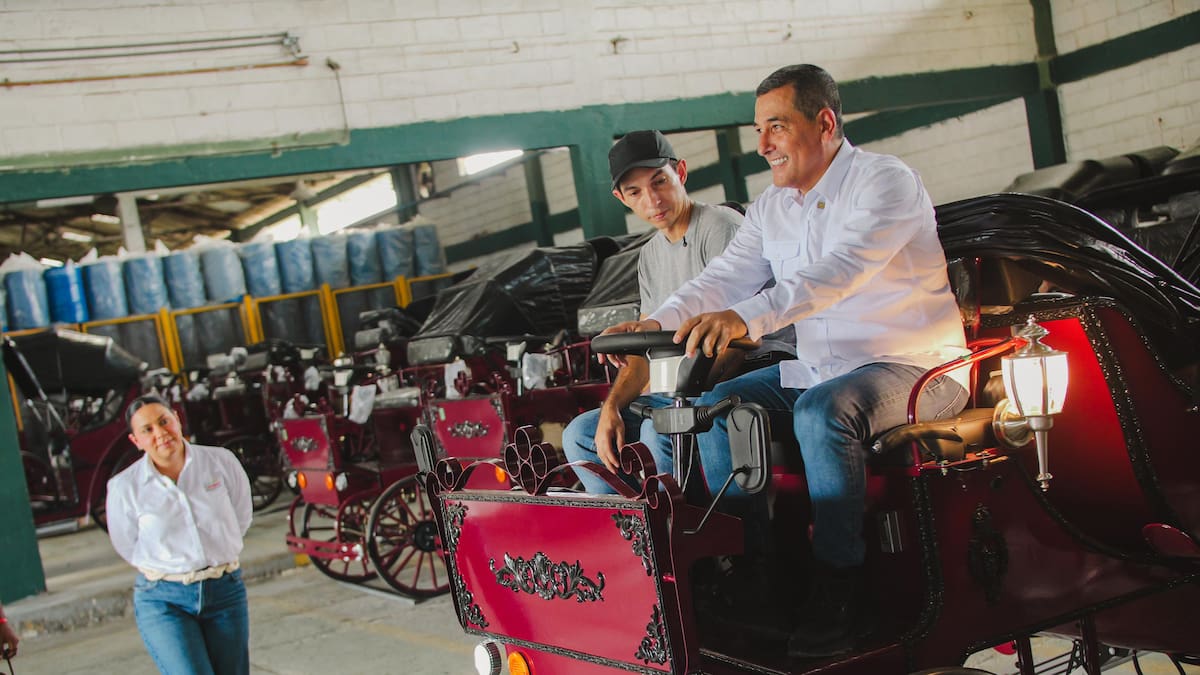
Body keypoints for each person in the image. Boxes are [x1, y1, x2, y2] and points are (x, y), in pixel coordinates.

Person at [613, 64, 970, 656]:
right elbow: (723, 278)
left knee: (821, 412)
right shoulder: (772, 207)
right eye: (759, 130)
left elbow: (838, 272)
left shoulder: (885, 182)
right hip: (823, 369)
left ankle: (840, 589)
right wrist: (655, 323)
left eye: (776, 126)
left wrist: (747, 317)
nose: (763, 145)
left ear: (824, 123)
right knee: (719, 406)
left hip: (914, 366)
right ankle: (758, 573)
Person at [561, 129, 746, 493]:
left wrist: (671, 400)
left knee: (655, 427)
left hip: (731, 376)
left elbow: (737, 339)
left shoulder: (721, 228)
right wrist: (613, 407)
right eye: (635, 192)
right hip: (679, 386)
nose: (653, 199)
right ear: (621, 198)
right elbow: (646, 351)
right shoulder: (649, 256)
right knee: (580, 434)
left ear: (681, 172)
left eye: (659, 182)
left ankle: (690, 523)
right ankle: (636, 526)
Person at [106, 394, 253, 675]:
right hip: (164, 599)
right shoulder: (125, 487)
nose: (160, 433)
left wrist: (218, 550)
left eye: (164, 421)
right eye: (147, 429)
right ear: (136, 441)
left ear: (177, 419)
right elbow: (127, 545)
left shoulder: (220, 461)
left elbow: (241, 516)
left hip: (225, 590)